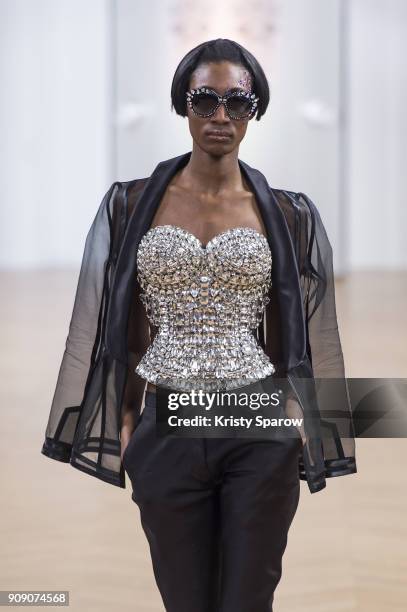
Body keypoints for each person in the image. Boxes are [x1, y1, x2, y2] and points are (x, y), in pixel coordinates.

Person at [41, 39, 357, 612]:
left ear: (255, 110)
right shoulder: (132, 204)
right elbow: (121, 319)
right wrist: (130, 420)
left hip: (259, 425)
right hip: (167, 425)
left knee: (246, 599)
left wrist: (302, 416)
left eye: (237, 102)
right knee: (185, 600)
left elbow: (313, 329)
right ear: (182, 105)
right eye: (205, 100)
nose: (220, 116)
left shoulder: (287, 213)